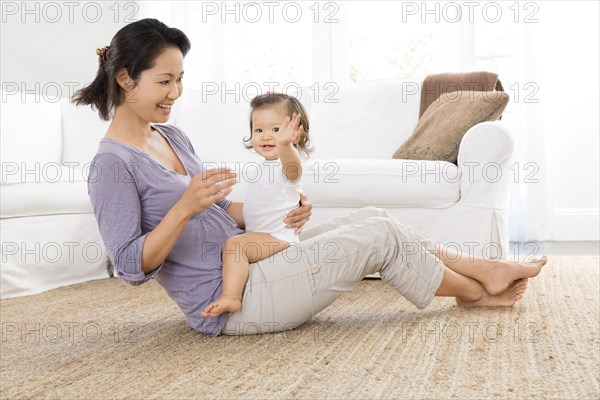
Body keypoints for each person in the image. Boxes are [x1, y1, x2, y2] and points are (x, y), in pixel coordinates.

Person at [75, 18, 547, 337]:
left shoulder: (171, 135)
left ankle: (486, 269)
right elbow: (131, 266)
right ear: (123, 79)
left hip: (256, 256)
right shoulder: (111, 165)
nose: (176, 92)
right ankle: (478, 293)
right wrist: (184, 208)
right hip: (232, 298)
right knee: (377, 235)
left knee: (370, 215)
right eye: (164, 81)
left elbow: (220, 214)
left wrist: (279, 210)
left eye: (180, 79)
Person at [201, 93, 313, 318]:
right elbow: (256, 207)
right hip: (264, 236)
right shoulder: (260, 168)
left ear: (296, 133)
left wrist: (285, 145)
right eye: (259, 130)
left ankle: (231, 297)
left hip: (280, 240)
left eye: (276, 129)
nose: (266, 136)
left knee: (236, 246)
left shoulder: (287, 166)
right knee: (235, 244)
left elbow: (293, 169)